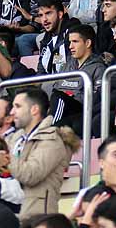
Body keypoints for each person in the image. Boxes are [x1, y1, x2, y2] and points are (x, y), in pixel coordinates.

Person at [8, 87, 77, 217]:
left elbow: (30, 175)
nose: (12, 112)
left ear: (34, 109)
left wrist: (4, 155)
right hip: (10, 214)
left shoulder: (52, 140)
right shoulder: (16, 137)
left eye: (17, 106)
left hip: (36, 220)